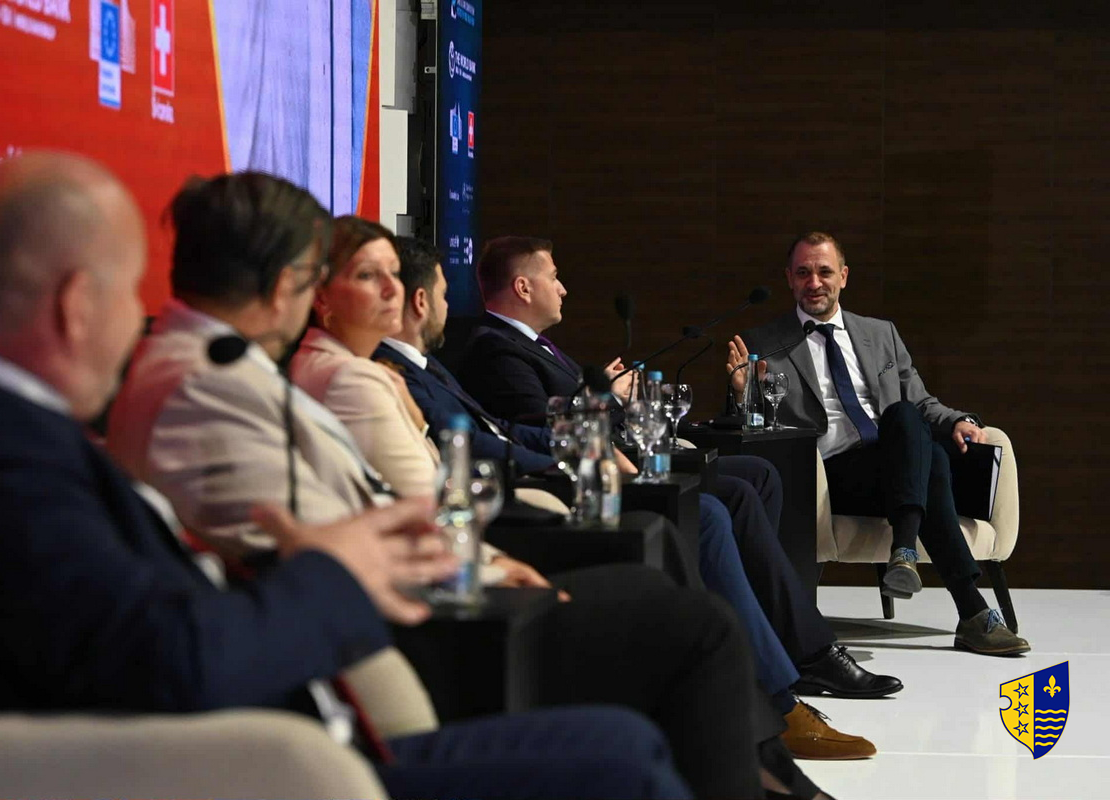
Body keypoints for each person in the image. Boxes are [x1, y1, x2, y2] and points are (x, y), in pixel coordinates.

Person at [0, 152, 697, 800]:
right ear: (79, 305)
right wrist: (334, 569)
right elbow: (165, 662)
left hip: (284, 733)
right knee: (627, 753)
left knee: (628, 740)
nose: (137, 323)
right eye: (129, 291)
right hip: (260, 762)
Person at [105, 181, 830, 799]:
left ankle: (762, 758)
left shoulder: (226, 368)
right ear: (287, 281)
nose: (395, 294)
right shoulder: (210, 384)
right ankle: (765, 765)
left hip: (412, 596)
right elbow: (333, 535)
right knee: (689, 625)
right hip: (407, 632)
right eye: (336, 273)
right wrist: (476, 563)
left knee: (669, 592)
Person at [382, 236, 902, 764]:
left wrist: (600, 414)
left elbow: (510, 428)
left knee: (749, 484)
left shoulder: (449, 362)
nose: (563, 288)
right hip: (551, 491)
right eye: (554, 276)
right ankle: (774, 691)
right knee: (712, 511)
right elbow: (507, 434)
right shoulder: (485, 349)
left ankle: (784, 654)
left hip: (597, 461)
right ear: (522, 286)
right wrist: (600, 413)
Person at [728, 231, 1030, 656]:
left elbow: (921, 402)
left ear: (844, 276)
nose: (814, 282)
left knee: (907, 420)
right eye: (803, 273)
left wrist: (959, 420)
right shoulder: (763, 343)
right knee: (931, 460)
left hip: (893, 464)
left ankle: (907, 551)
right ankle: (969, 608)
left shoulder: (880, 333)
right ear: (789, 279)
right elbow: (751, 427)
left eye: (824, 271)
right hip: (829, 475)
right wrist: (743, 394)